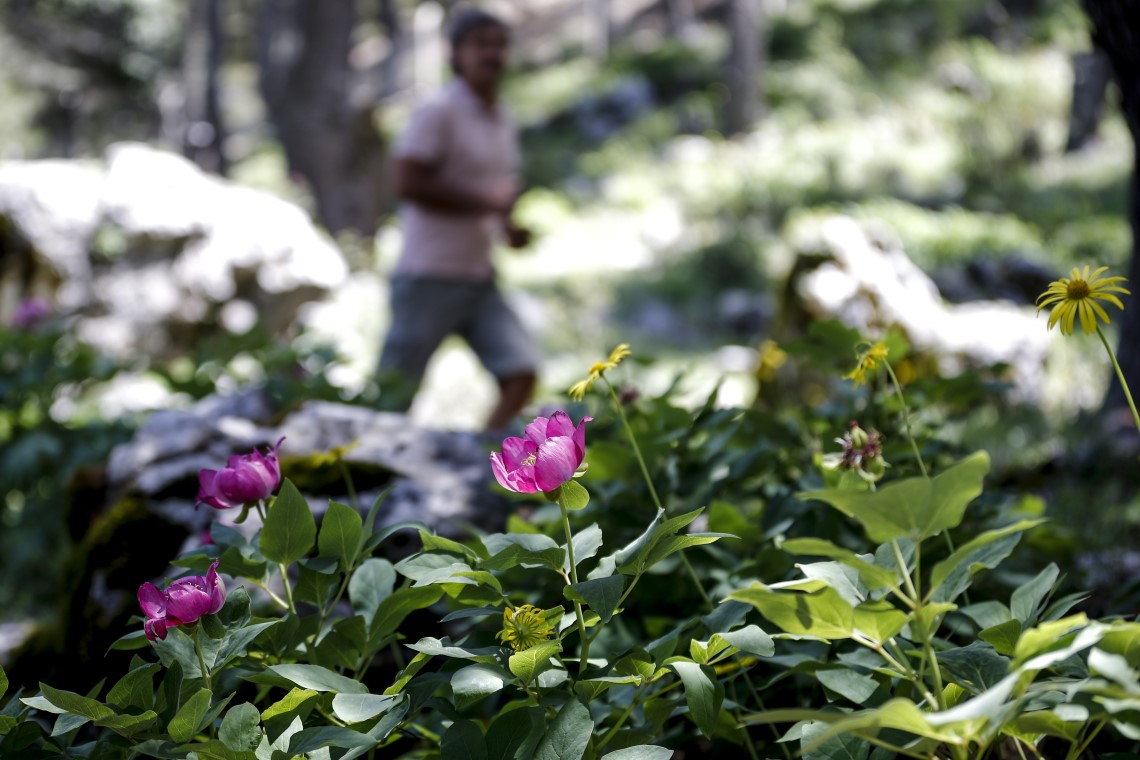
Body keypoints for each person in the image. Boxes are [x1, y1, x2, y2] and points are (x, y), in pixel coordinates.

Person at [377, 8, 537, 431]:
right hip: (428, 274)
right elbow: (406, 181)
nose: (492, 53)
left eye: (499, 44)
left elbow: (493, 194)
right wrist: (484, 203)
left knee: (521, 374)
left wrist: (506, 226)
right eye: (481, 44)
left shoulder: (503, 117)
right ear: (457, 53)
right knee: (393, 395)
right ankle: (364, 480)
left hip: (479, 276)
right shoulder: (440, 110)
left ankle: (485, 464)